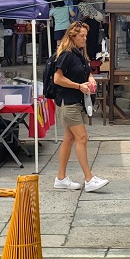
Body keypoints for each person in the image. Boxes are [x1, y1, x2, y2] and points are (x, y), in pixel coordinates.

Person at [52, 21, 109, 192]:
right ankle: (89, 178)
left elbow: (86, 70)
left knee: (69, 139)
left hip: (75, 101)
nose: (85, 39)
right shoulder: (67, 54)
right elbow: (57, 78)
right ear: (73, 37)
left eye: (85, 35)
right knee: (82, 138)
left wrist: (90, 78)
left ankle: (60, 178)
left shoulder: (79, 53)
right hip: (68, 102)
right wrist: (79, 86)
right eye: (82, 36)